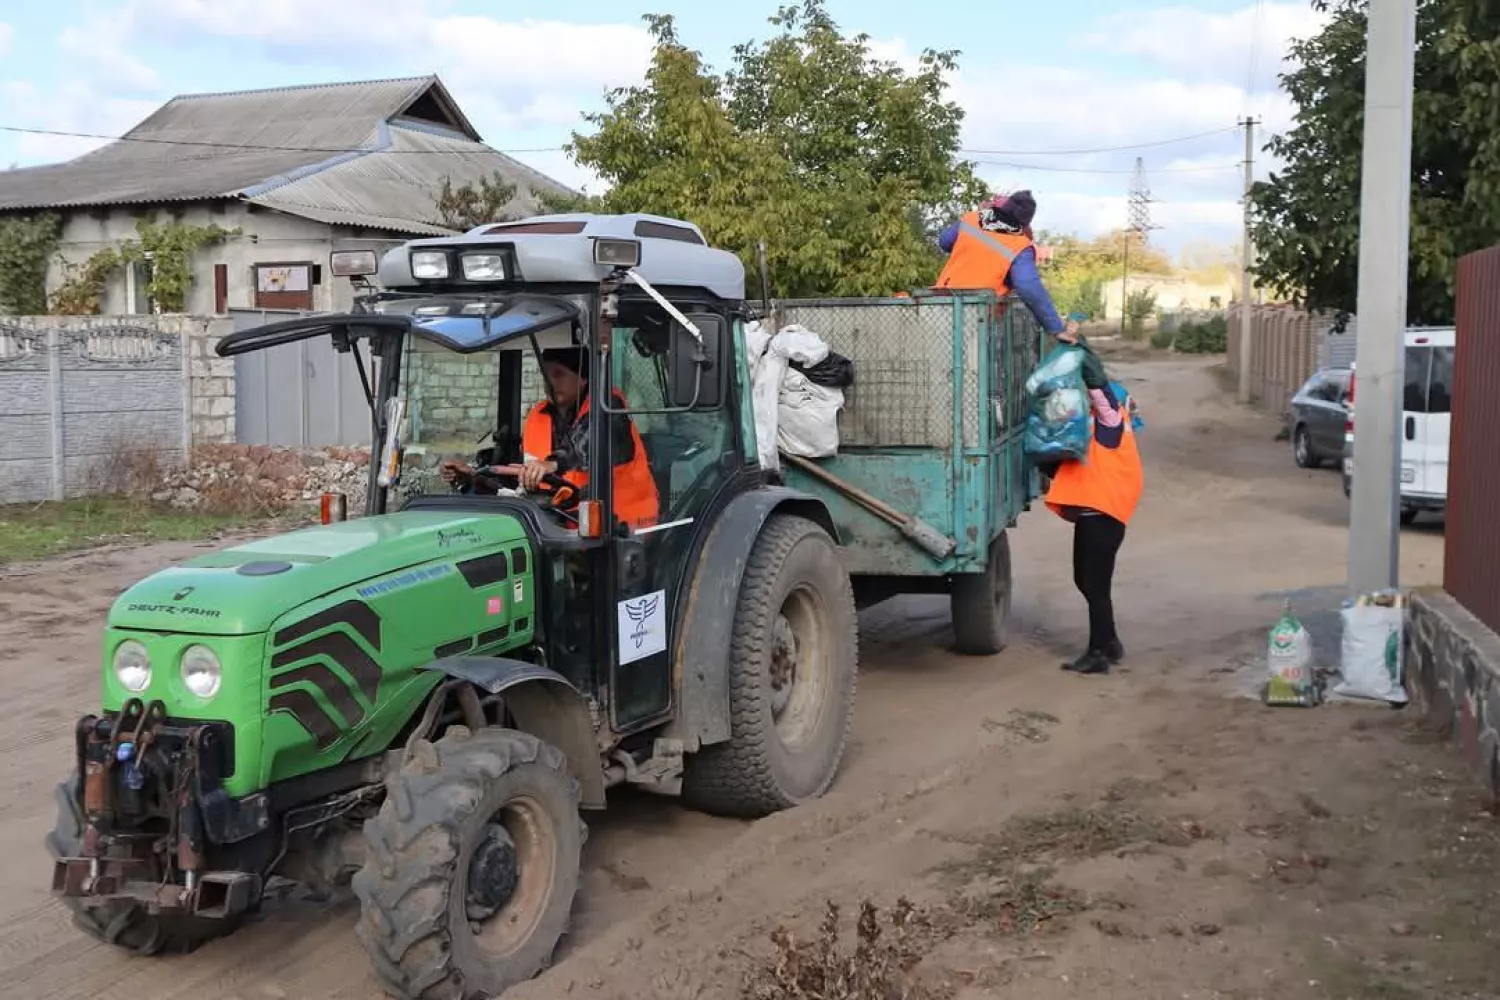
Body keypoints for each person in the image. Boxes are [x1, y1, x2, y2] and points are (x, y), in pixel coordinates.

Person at [441, 347, 660, 528]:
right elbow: (520, 477)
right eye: (546, 374)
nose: (550, 382)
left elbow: (586, 445)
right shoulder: (538, 416)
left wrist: (551, 464)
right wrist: (475, 476)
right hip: (561, 529)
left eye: (558, 374)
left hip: (621, 532)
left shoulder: (610, 408)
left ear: (583, 379)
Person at [1043, 361, 1145, 676]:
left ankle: (1097, 653)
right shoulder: (1097, 429)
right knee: (1086, 580)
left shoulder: (1112, 423)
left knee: (1095, 585)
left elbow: (1100, 395)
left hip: (1102, 515)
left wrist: (1082, 361)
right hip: (1095, 515)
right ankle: (1110, 641)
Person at [935, 191, 1068, 340]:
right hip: (977, 315)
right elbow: (1028, 286)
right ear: (1025, 223)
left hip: (941, 303)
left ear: (1004, 207)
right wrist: (1056, 328)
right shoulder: (1020, 246)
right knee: (972, 361)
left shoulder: (971, 219)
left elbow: (944, 242)